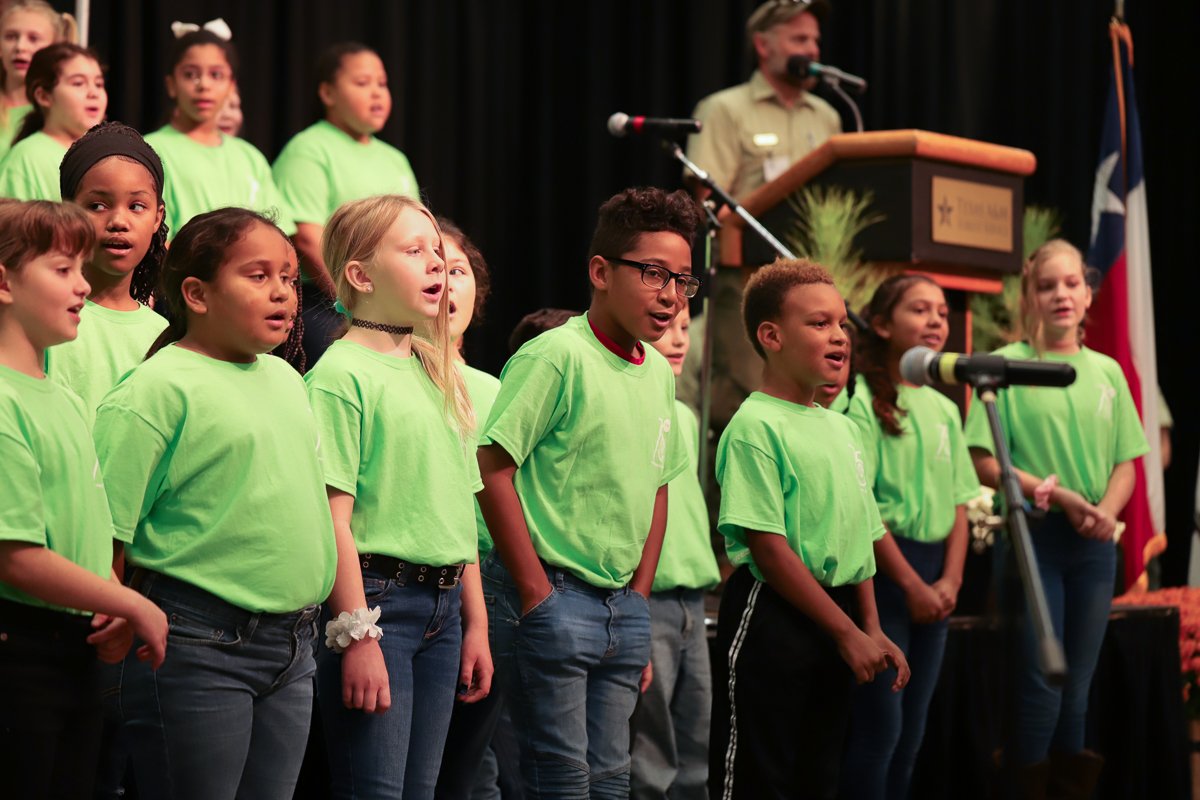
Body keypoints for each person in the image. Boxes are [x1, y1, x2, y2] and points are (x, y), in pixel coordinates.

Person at [92, 208, 335, 800]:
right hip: (196, 644)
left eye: (288, 277)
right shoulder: (155, 389)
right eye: (258, 276)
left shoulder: (284, 378)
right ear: (196, 293)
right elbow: (105, 528)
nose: (281, 292)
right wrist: (115, 615)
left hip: (294, 642)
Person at [477, 186, 702, 797]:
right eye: (654, 274)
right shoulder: (556, 355)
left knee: (612, 779)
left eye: (683, 280)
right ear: (601, 271)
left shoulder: (656, 371)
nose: (671, 296)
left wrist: (639, 597)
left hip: (622, 606)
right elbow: (492, 466)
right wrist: (535, 591)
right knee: (559, 779)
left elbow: (657, 484)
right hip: (554, 594)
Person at [305, 196, 490, 798]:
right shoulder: (341, 375)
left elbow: (457, 511)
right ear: (359, 275)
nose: (437, 264)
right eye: (416, 252)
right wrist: (356, 634)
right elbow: (333, 517)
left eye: (439, 252)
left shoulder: (435, 369)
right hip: (378, 606)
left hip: (444, 611)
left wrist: (477, 624)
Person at [708, 258, 909, 800]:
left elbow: (859, 533)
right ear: (771, 336)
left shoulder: (843, 428)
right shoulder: (756, 425)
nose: (839, 336)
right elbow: (769, 550)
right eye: (819, 324)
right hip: (774, 612)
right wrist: (847, 633)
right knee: (759, 773)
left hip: (838, 613)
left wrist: (868, 623)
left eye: (842, 323)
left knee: (818, 774)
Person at [964, 239, 1149, 797]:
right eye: (1048, 285)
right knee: (1042, 682)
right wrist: (1058, 497)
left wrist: (1104, 515)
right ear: (1030, 296)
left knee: (1077, 687)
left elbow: (1126, 464)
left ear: (1089, 294)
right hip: (1032, 539)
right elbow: (984, 461)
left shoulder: (1108, 372)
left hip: (1091, 546)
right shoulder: (1006, 368)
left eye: (1072, 283)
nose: (1061, 295)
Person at [0, 199, 167, 800]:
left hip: (72, 649)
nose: (82, 283)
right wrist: (131, 602)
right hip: (19, 652)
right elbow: (16, 555)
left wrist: (110, 610)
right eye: (63, 268)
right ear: (4, 282)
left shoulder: (64, 398)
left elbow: (85, 527)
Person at [838, 275, 980, 800]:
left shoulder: (945, 406)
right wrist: (913, 585)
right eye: (920, 310)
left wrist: (950, 580)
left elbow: (960, 500)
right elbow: (862, 503)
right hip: (884, 572)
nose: (936, 321)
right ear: (880, 323)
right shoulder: (860, 398)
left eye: (942, 312)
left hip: (936, 573)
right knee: (882, 727)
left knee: (914, 730)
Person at [684, 0, 841, 432]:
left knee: (812, 404)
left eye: (815, 40)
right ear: (763, 45)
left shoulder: (828, 118)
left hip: (814, 281)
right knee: (748, 396)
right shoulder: (725, 110)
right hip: (748, 280)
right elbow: (708, 204)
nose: (811, 48)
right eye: (798, 39)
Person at [273, 41, 420, 366]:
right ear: (328, 94)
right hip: (327, 300)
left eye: (382, 84)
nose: (377, 93)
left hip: (393, 298)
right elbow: (307, 238)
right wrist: (351, 302)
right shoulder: (309, 149)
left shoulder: (394, 159)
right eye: (362, 83)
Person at [629, 300, 721, 800]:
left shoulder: (684, 415)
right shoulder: (631, 404)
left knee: (695, 743)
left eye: (687, 327)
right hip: (651, 600)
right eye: (669, 327)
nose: (681, 338)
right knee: (650, 752)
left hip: (691, 599)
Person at [44, 121, 168, 411]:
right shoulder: (45, 318)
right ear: (67, 210)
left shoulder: (164, 335)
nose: (118, 222)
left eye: (137, 206)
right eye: (97, 206)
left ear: (157, 217)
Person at [145, 27, 293, 241]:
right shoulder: (152, 150)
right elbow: (154, 240)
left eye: (216, 75)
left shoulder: (249, 156)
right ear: (171, 84)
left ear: (231, 86)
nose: (203, 85)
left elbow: (279, 235)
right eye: (190, 74)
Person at [0, 41, 104, 200]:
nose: (94, 93)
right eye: (78, 83)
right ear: (44, 96)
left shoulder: (105, 154)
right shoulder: (27, 158)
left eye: (98, 84)